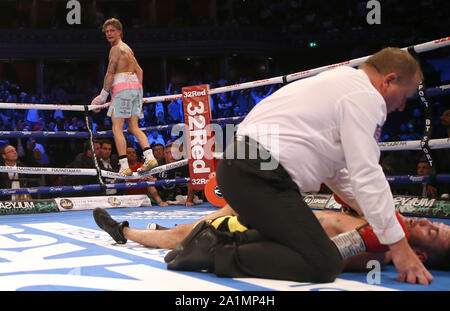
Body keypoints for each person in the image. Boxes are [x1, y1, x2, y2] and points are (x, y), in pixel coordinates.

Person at [164, 47, 434, 285]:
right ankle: (214, 252)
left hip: (243, 169)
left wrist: (386, 221)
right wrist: (399, 246)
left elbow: (340, 174)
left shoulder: (340, 83)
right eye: (404, 96)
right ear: (389, 81)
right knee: (322, 262)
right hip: (259, 174)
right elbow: (366, 174)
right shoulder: (366, 97)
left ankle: (208, 241)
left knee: (297, 241)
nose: (400, 107)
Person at [93, 204, 450, 272]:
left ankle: (123, 231)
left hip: (268, 229)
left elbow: (325, 255)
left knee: (189, 235)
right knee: (205, 219)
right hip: (276, 211)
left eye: (431, 230)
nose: (423, 219)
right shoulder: (385, 221)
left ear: (418, 250)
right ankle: (155, 233)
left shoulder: (376, 252)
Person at [90, 18, 158, 176]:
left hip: (122, 89)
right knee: (134, 127)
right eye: (107, 32)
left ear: (120, 32)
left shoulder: (115, 49)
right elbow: (139, 71)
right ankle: (149, 157)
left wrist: (102, 96)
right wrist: (136, 90)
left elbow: (110, 74)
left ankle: (124, 166)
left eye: (112, 30)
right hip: (135, 89)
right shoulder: (128, 49)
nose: (109, 34)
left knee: (117, 128)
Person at [147, 142, 201, 207]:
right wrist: (160, 202)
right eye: (169, 153)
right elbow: (150, 185)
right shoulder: (157, 165)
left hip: (175, 198)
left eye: (176, 153)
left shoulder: (184, 164)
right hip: (157, 198)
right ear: (164, 154)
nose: (173, 155)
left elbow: (190, 184)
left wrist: (189, 200)